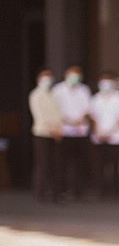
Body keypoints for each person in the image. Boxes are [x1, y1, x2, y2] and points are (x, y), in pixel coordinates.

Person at [51, 66, 92, 200]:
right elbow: (54, 109)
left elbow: (88, 109)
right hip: (64, 130)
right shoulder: (58, 90)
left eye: (77, 75)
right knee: (61, 163)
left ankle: (78, 191)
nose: (74, 78)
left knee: (79, 163)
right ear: (66, 75)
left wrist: (79, 120)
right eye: (72, 75)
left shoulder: (84, 90)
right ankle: (60, 190)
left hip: (80, 131)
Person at [89, 72, 119, 199]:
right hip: (100, 137)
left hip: (115, 137)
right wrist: (99, 131)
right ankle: (101, 191)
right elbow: (92, 117)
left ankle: (116, 192)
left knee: (115, 165)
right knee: (100, 166)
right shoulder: (96, 98)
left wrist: (111, 131)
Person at [27, 68, 63, 202]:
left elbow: (58, 113)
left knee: (55, 164)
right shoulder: (36, 95)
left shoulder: (53, 94)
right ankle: (39, 193)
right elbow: (39, 115)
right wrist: (51, 128)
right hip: (42, 133)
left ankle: (55, 193)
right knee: (42, 164)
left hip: (55, 133)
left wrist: (58, 127)